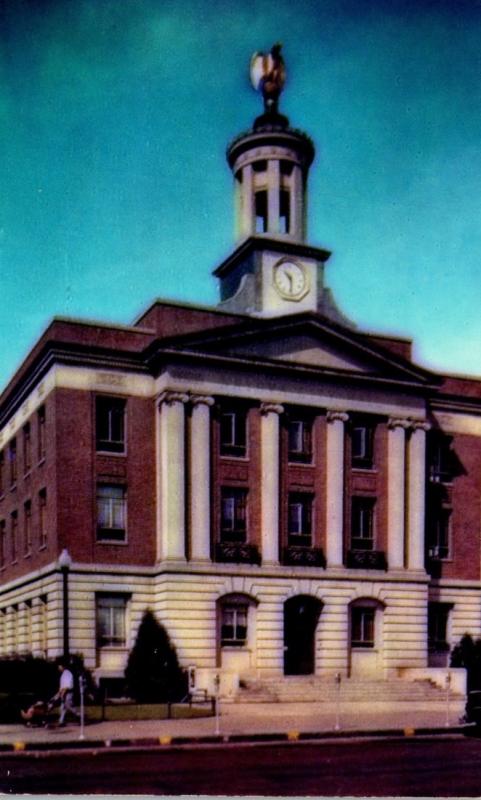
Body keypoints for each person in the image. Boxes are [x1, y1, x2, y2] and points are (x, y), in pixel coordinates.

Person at [50, 660, 80, 726]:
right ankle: (61, 721)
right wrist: (58, 693)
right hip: (64, 692)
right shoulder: (63, 674)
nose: (58, 668)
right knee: (63, 707)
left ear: (63, 666)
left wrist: (63, 692)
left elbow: (68, 685)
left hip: (68, 692)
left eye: (59, 666)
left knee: (68, 705)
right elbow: (62, 685)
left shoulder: (67, 673)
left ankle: (78, 715)